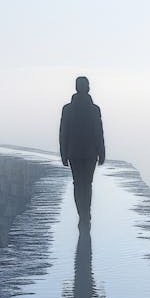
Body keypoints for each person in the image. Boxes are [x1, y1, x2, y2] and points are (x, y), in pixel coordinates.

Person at [59, 76, 105, 227]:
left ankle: (82, 213)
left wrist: (63, 153)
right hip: (90, 153)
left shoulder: (68, 109)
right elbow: (98, 132)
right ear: (88, 88)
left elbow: (63, 133)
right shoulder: (94, 109)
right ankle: (86, 213)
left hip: (74, 152)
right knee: (87, 184)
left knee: (78, 184)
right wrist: (101, 151)